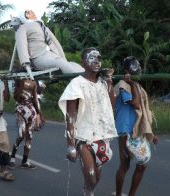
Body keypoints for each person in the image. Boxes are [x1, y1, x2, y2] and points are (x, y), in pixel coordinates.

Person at [58, 47, 117, 195]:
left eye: (99, 58)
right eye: (92, 57)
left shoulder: (103, 83)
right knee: (90, 176)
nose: (96, 61)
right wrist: (71, 146)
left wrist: (109, 82)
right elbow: (70, 116)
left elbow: (111, 106)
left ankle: (88, 191)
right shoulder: (76, 84)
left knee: (96, 177)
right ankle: (88, 189)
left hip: (102, 137)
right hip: (83, 137)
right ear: (83, 62)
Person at [114, 56, 158, 196]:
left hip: (136, 130)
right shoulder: (123, 85)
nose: (138, 73)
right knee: (125, 165)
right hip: (125, 131)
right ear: (127, 72)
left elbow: (143, 112)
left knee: (142, 165)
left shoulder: (137, 86)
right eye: (135, 70)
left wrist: (151, 133)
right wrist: (131, 83)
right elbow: (136, 104)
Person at [14, 9, 84, 76]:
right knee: (61, 63)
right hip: (38, 58)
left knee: (75, 65)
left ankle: (88, 81)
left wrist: (64, 58)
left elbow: (56, 43)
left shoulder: (44, 27)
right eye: (29, 12)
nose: (33, 13)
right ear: (26, 15)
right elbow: (22, 46)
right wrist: (26, 64)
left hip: (52, 55)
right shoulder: (23, 28)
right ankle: (80, 82)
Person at [8, 78, 45, 169]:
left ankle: (24, 161)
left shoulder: (34, 82)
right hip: (21, 110)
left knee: (29, 136)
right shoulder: (18, 80)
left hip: (31, 111)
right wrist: (21, 84)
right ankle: (12, 158)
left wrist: (40, 114)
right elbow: (16, 97)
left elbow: (36, 99)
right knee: (21, 135)